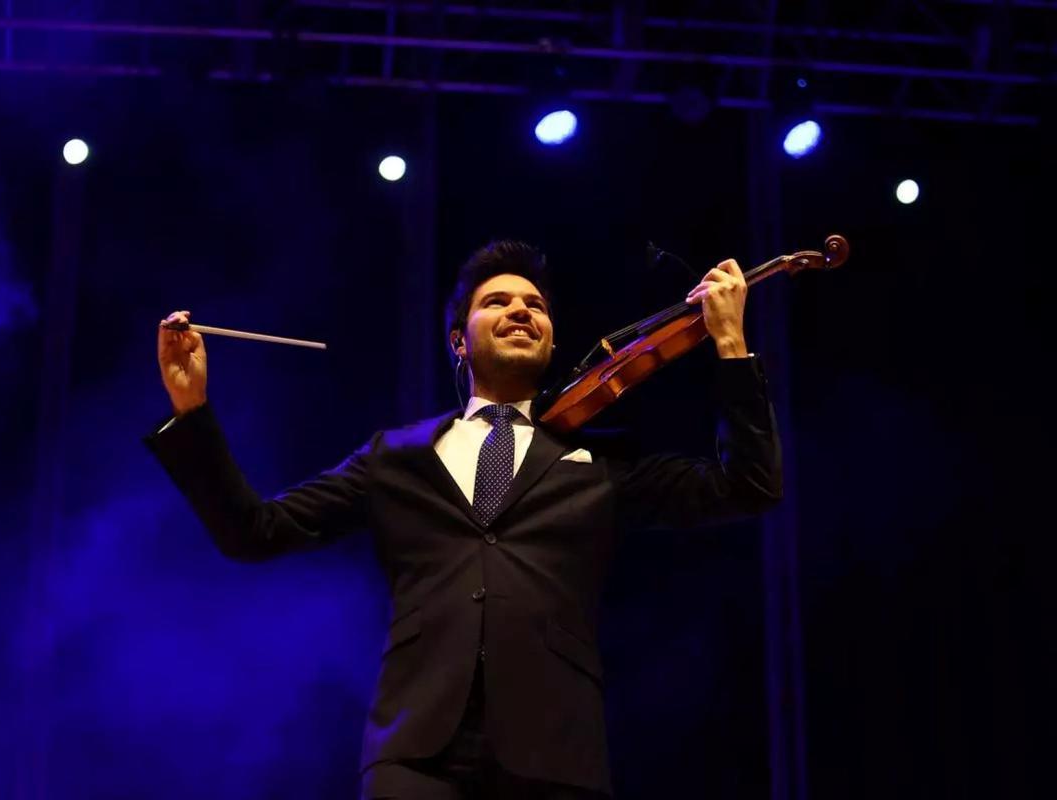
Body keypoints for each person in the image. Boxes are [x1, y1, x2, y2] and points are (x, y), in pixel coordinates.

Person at [144, 240, 782, 799]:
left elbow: (748, 486)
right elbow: (253, 532)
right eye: (497, 302)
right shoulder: (394, 457)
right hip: (415, 756)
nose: (521, 311)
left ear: (552, 340)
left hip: (558, 755)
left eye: (535, 306)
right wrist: (191, 409)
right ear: (459, 341)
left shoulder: (602, 463)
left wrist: (730, 344)